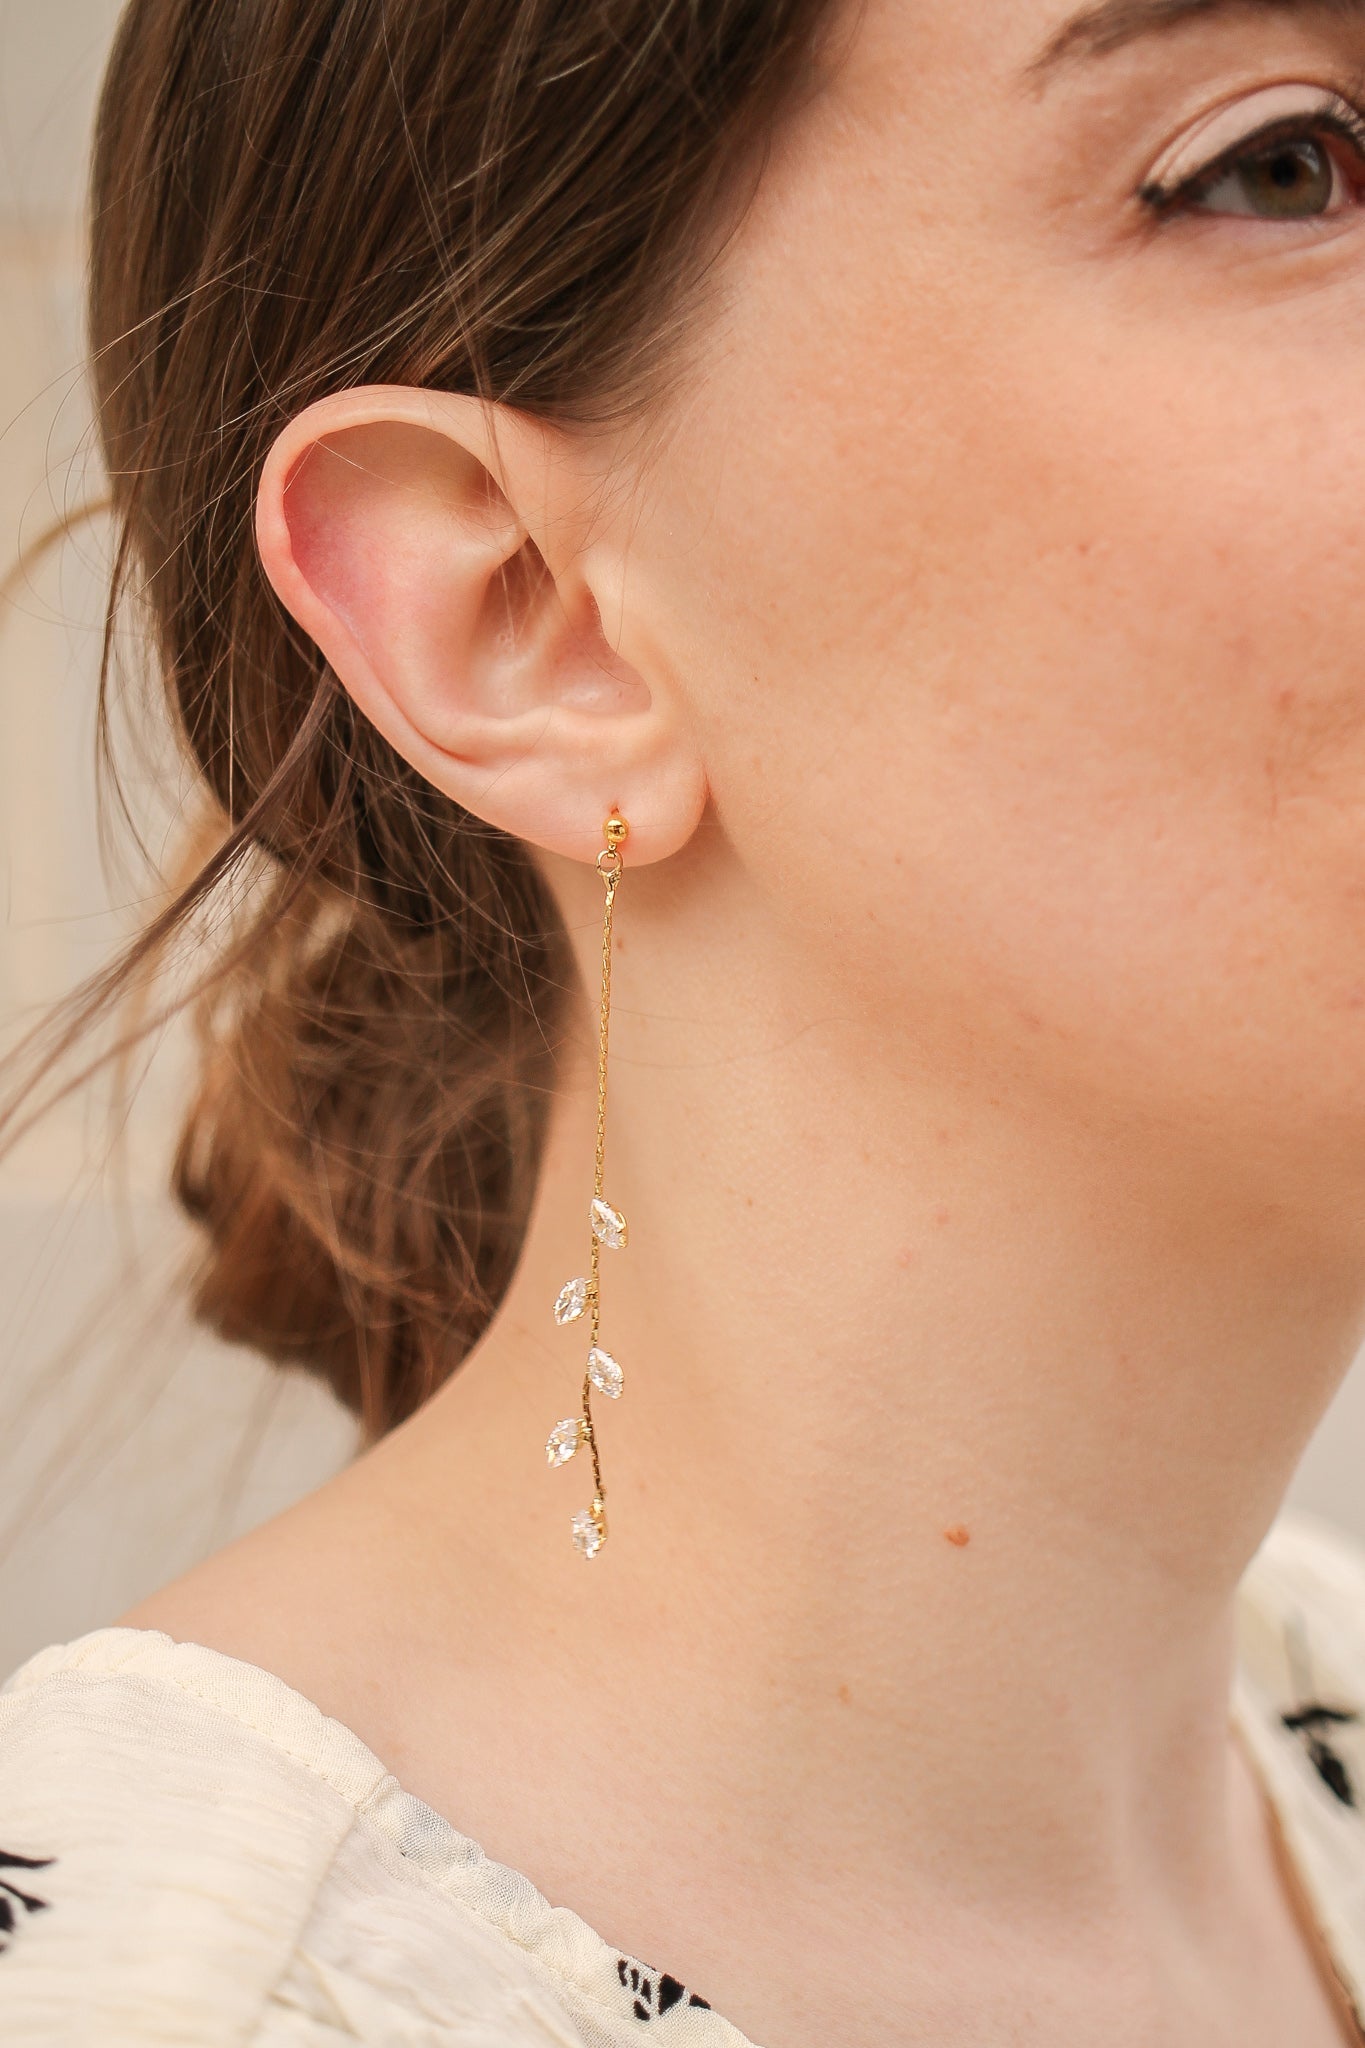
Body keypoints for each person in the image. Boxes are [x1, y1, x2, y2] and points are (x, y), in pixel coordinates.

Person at [1, 0, 1364, 2039]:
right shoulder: (164, 1994)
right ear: (520, 619)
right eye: (1280, 165)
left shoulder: (1319, 1714)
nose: (1299, 186)